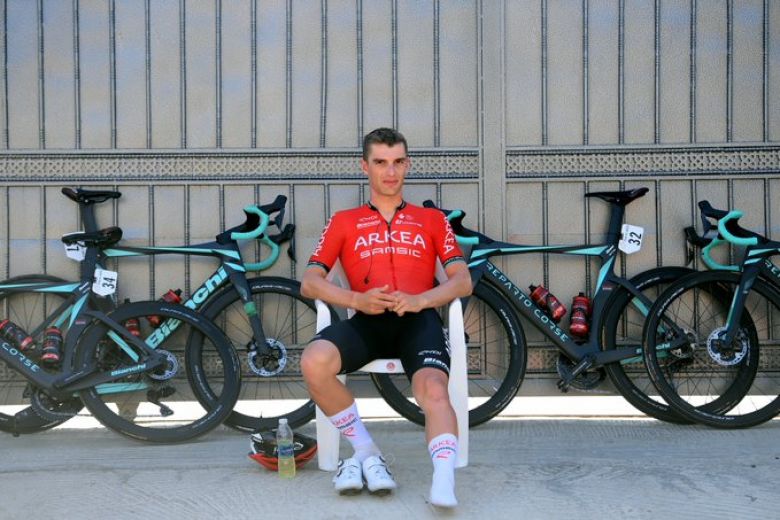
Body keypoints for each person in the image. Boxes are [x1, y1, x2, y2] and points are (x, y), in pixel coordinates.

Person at [300, 127, 472, 508]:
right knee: (314, 361)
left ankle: (443, 481)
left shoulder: (432, 220)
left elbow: (463, 281)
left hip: (418, 321)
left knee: (434, 389)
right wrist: (355, 300)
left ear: (407, 165)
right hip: (367, 321)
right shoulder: (344, 221)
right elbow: (309, 283)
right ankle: (366, 451)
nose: (390, 172)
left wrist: (420, 299)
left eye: (397, 162)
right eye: (380, 162)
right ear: (365, 167)